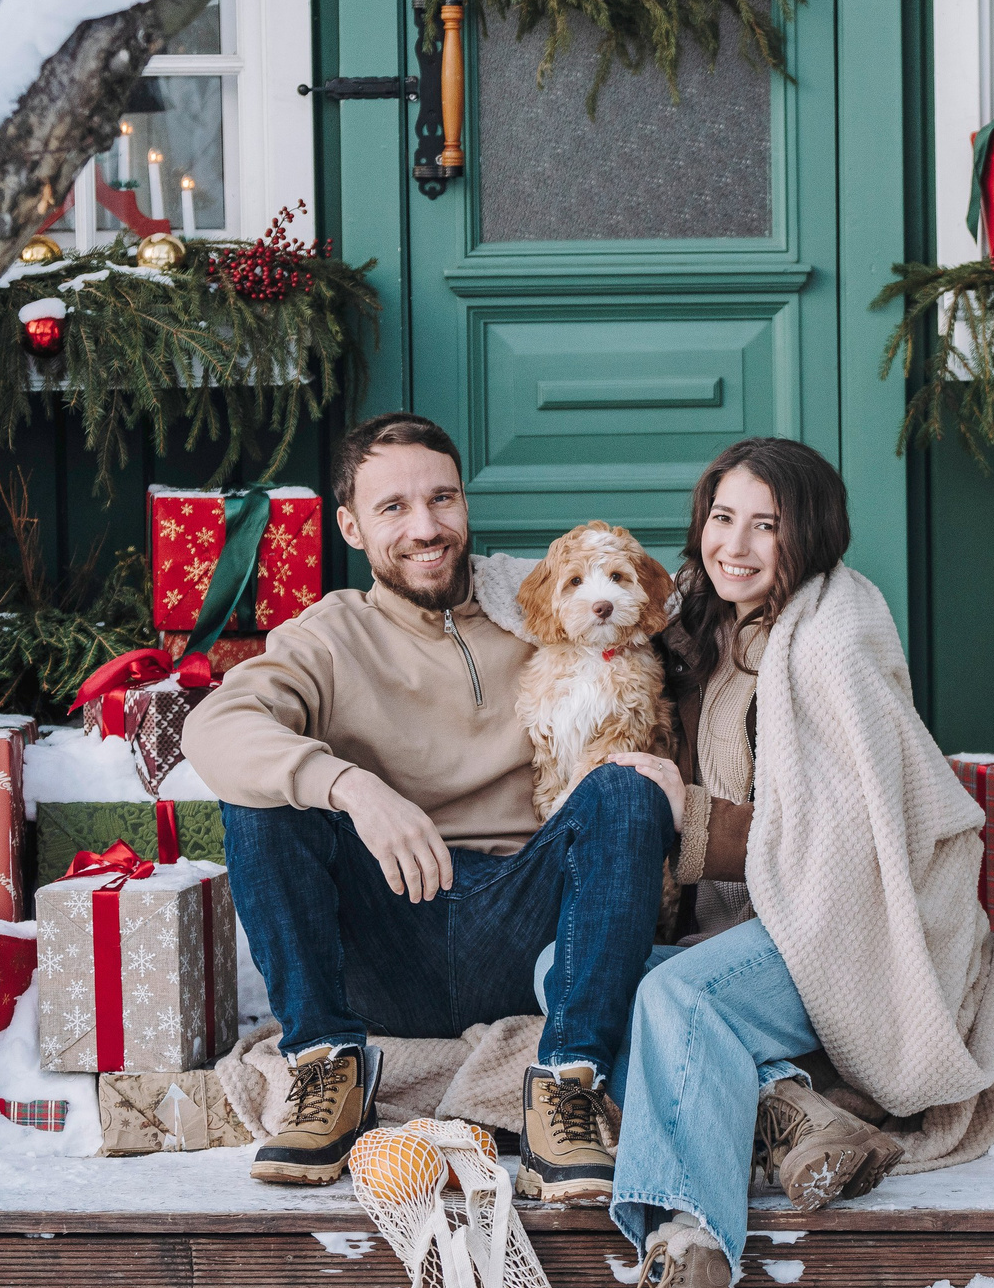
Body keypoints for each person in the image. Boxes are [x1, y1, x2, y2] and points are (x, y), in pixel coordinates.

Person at [570, 438, 994, 1288]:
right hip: (766, 912)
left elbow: (852, 836)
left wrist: (688, 817)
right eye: (723, 518)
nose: (737, 545)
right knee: (569, 969)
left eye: (767, 525)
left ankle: (693, 1268)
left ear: (814, 535)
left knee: (674, 999)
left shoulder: (832, 637)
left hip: (858, 922)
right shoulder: (710, 624)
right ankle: (790, 1112)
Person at [183, 412, 672, 1197]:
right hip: (389, 929)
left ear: (466, 506)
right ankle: (325, 1066)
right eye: (393, 508)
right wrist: (350, 785)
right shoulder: (330, 634)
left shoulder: (538, 597)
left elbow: (663, 605)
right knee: (262, 797)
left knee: (624, 785)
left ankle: (567, 1084)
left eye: (442, 499)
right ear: (349, 526)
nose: (426, 528)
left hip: (529, 919)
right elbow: (214, 728)